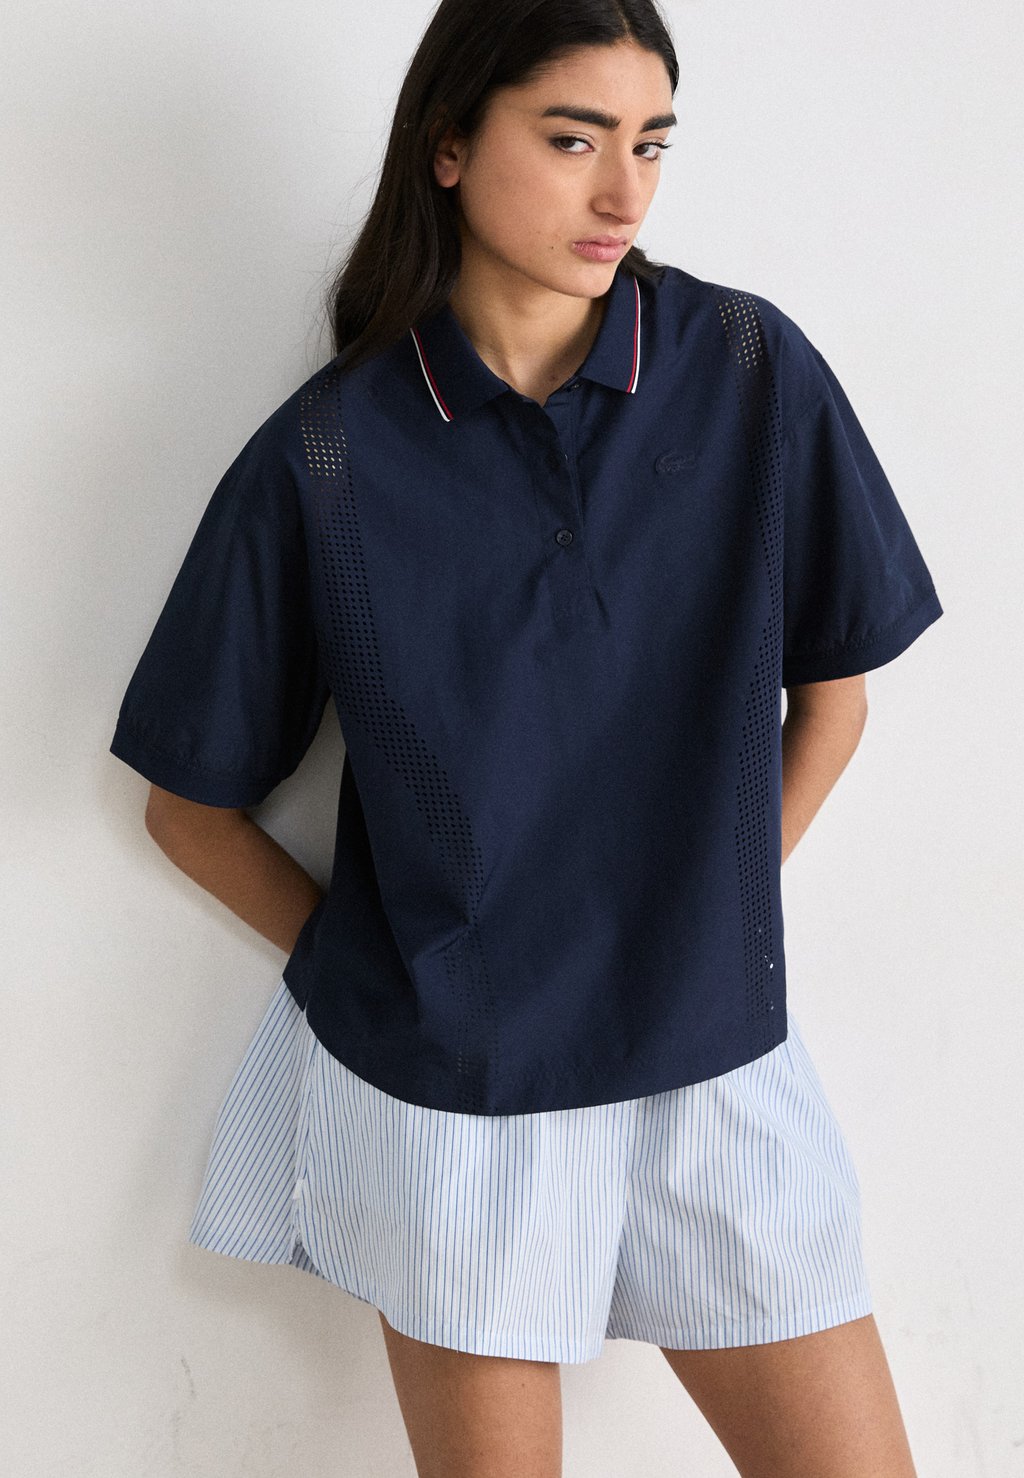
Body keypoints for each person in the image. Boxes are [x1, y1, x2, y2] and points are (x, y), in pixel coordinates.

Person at [108, 2, 943, 1474]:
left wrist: (706, 911)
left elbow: (838, 696)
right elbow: (191, 806)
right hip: (455, 1102)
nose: (625, 193)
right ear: (448, 146)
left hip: (714, 1059)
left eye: (652, 145)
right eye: (573, 141)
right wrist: (399, 970)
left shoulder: (748, 369)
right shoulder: (331, 455)